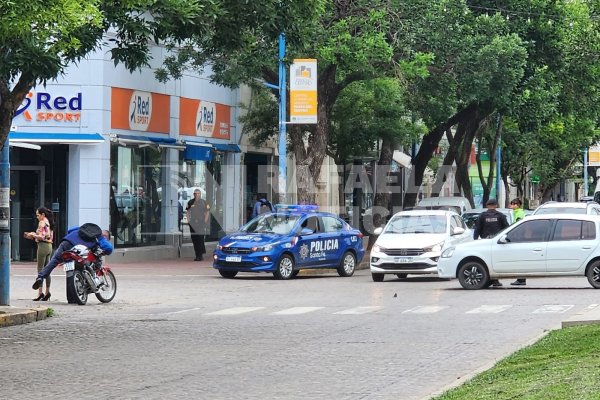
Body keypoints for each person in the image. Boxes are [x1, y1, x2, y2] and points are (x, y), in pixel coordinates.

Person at [32, 223, 113, 290]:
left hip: (67, 242)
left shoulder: (86, 227)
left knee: (55, 260)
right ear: (106, 236)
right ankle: (76, 293)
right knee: (83, 265)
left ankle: (40, 277)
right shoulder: (100, 237)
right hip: (78, 249)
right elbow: (109, 248)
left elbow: (69, 230)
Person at [473, 198, 509, 287]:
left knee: (487, 260)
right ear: (496, 206)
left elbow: (477, 228)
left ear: (487, 206)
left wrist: (475, 240)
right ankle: (495, 280)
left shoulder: (482, 216)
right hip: (498, 242)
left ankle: (490, 279)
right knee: (496, 260)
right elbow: (507, 228)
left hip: (485, 242)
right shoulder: (500, 216)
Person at [24, 207, 54, 301]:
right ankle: (47, 292)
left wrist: (32, 235)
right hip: (49, 247)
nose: (37, 217)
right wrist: (33, 234)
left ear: (42, 215)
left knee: (40, 271)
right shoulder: (49, 222)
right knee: (47, 270)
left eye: (38, 215)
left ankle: (40, 293)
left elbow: (41, 237)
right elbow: (47, 235)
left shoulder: (42, 222)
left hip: (42, 246)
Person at [186, 188, 210, 261]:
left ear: (200, 194)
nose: (196, 195)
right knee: (194, 239)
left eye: (198, 193)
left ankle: (201, 255)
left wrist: (205, 221)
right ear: (193, 194)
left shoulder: (205, 202)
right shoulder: (190, 202)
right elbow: (188, 212)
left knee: (200, 239)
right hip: (193, 224)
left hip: (201, 223)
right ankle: (197, 255)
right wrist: (189, 220)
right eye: (195, 194)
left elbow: (207, 212)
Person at [509, 198, 527, 286]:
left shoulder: (519, 213)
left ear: (517, 205)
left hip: (519, 239)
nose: (512, 206)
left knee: (519, 259)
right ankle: (520, 279)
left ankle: (521, 279)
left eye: (513, 204)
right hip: (518, 238)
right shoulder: (516, 213)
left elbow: (518, 227)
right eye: (511, 204)